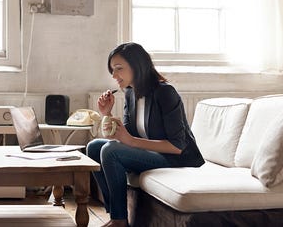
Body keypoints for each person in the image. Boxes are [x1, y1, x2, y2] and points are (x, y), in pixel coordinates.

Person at [87, 42, 205, 227]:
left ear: (137, 65)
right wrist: (106, 114)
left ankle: (120, 222)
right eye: (112, 70)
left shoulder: (165, 93)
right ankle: (114, 214)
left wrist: (131, 141)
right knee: (94, 148)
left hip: (178, 158)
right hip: (153, 154)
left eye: (119, 69)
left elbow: (177, 146)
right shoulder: (130, 94)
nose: (114, 75)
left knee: (110, 151)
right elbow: (125, 135)